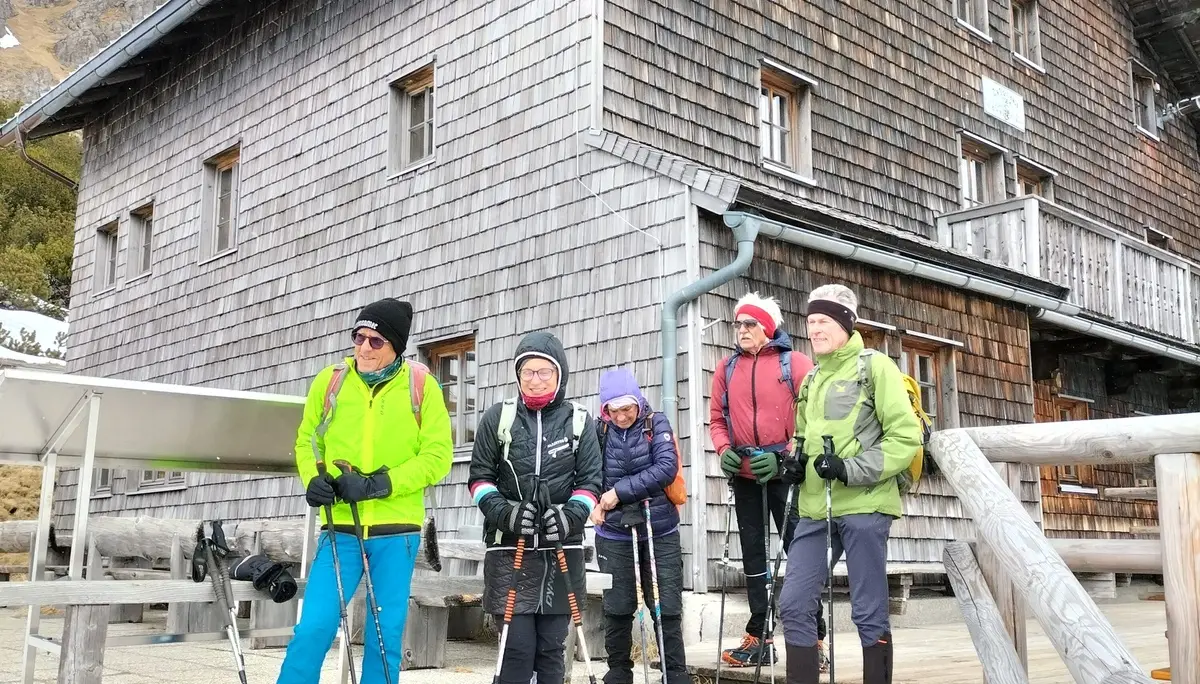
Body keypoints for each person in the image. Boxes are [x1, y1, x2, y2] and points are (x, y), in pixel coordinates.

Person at [282, 297, 454, 684]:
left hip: (397, 533)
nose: (363, 348)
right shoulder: (331, 382)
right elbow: (307, 439)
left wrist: (380, 484)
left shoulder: (421, 386)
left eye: (376, 341)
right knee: (313, 628)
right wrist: (314, 478)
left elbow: (438, 456)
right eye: (359, 337)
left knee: (383, 636)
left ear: (395, 346)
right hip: (340, 528)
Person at [778, 284, 922, 684]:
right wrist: (795, 463)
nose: (815, 329)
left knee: (868, 609)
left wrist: (848, 468)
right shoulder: (811, 380)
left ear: (845, 323)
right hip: (814, 509)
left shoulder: (875, 368)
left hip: (866, 504)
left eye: (823, 321)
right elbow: (803, 439)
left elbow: (905, 438)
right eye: (810, 322)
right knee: (793, 604)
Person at [467, 331, 604, 684]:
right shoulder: (498, 417)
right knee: (516, 648)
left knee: (551, 649)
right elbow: (480, 480)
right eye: (527, 372)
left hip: (562, 548)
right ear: (517, 375)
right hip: (510, 546)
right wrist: (507, 513)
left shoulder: (579, 419)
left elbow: (591, 482)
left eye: (545, 372)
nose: (535, 379)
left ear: (560, 376)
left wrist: (569, 515)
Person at [708, 292, 827, 668]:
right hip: (744, 475)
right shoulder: (726, 368)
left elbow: (815, 418)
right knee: (754, 558)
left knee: (799, 554)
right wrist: (723, 448)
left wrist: (784, 457)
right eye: (738, 324)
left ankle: (814, 637)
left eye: (750, 324)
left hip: (786, 475)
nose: (741, 330)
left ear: (768, 327)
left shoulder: (797, 364)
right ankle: (760, 635)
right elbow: (716, 419)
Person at [590, 367, 689, 684]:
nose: (621, 416)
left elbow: (665, 467)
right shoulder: (598, 431)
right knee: (618, 605)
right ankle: (618, 669)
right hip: (614, 532)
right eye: (614, 410)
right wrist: (593, 501)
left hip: (658, 528)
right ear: (605, 409)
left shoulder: (655, 423)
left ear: (639, 402)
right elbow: (588, 472)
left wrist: (618, 493)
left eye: (627, 408)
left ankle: (674, 671)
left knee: (666, 602)